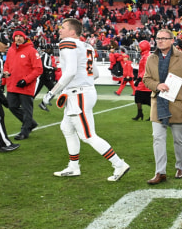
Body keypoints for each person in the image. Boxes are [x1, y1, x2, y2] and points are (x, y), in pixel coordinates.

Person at [41, 18, 130, 181]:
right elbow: (94, 74)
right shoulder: (86, 46)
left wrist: (51, 93)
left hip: (79, 95)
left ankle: (119, 164)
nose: (59, 30)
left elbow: (70, 72)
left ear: (72, 32)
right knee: (66, 128)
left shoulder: (68, 43)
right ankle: (73, 167)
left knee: (88, 135)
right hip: (83, 92)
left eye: (63, 27)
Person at [143, 29, 182, 184]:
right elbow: (146, 79)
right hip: (158, 103)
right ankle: (160, 172)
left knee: (179, 138)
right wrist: (157, 85)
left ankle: (181, 167)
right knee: (158, 139)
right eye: (158, 38)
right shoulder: (151, 58)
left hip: (177, 104)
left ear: (172, 40)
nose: (160, 41)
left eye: (164, 38)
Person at [3, 30, 43, 140]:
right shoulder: (10, 50)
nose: (18, 38)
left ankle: (24, 132)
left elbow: (38, 69)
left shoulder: (31, 51)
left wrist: (26, 80)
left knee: (26, 109)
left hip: (26, 86)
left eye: (21, 36)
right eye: (16, 36)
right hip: (12, 85)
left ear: (24, 38)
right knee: (12, 106)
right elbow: (6, 65)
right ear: (13, 38)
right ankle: (31, 123)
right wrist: (3, 81)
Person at [132, 40, 152, 121]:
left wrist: (139, 78)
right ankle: (140, 113)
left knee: (149, 100)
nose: (138, 48)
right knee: (138, 98)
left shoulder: (147, 56)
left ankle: (152, 115)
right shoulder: (144, 55)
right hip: (142, 81)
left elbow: (146, 69)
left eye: (140, 46)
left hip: (145, 81)